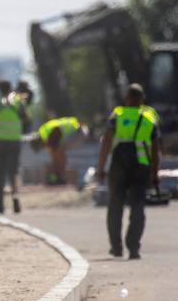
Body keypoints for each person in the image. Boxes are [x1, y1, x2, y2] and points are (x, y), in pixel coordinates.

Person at [96, 84, 161, 259]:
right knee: (138, 207)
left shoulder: (117, 115)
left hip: (119, 165)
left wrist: (100, 168)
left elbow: (106, 143)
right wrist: (155, 174)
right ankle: (133, 248)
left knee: (115, 207)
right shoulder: (149, 118)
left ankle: (116, 247)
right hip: (141, 166)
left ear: (127, 98)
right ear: (142, 99)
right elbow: (156, 150)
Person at [0, 80, 29, 214]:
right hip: (14, 141)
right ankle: (15, 199)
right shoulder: (18, 103)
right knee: (13, 172)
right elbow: (26, 119)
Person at [37, 115, 84, 186]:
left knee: (59, 157)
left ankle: (59, 176)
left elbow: (55, 147)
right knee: (58, 157)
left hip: (76, 132)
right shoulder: (45, 132)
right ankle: (58, 176)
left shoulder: (51, 133)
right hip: (69, 132)